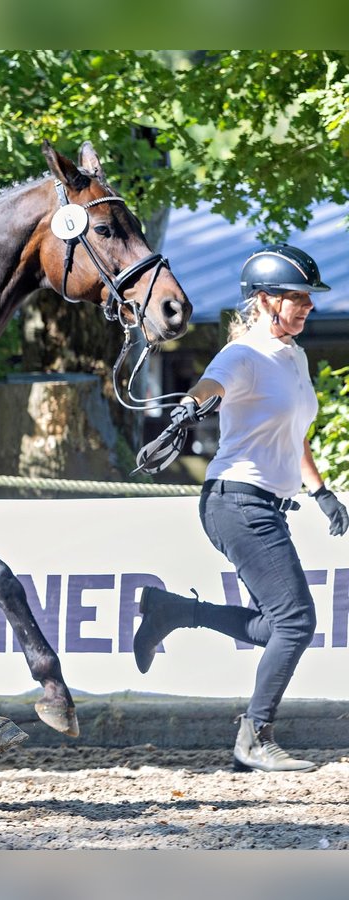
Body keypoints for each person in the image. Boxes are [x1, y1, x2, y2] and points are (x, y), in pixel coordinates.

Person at [133, 243, 349, 773]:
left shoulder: (292, 356)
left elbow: (292, 434)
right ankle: (254, 737)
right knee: (297, 622)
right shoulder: (243, 353)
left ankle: (174, 611)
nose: (308, 307)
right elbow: (212, 385)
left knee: (277, 626)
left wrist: (319, 491)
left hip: (265, 505)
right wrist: (188, 409)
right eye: (297, 297)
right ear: (265, 300)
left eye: (308, 298)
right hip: (236, 502)